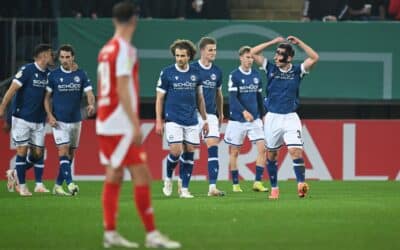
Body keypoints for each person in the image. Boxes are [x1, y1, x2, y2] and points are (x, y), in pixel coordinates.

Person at [96, 2, 181, 248]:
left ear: (114, 20)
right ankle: (151, 234)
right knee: (141, 173)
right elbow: (122, 87)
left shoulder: (105, 49)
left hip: (105, 121)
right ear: (134, 20)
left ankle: (111, 232)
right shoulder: (125, 49)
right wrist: (134, 123)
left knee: (115, 173)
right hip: (119, 123)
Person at [250, 36, 319, 200]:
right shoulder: (271, 68)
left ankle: (301, 184)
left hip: (290, 117)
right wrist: (273, 42)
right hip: (272, 117)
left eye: (279, 54)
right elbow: (252, 52)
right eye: (276, 53)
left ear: (289, 57)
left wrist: (300, 42)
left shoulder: (297, 71)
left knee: (295, 151)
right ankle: (274, 188)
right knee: (271, 155)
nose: (275, 56)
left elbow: (315, 57)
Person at [155, 39, 209, 199]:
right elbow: (159, 98)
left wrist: (204, 119)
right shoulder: (167, 73)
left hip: (192, 119)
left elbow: (200, 98)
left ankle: (184, 188)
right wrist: (159, 120)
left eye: (182, 56)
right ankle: (168, 178)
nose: (179, 58)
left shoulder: (196, 73)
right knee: (176, 151)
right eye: (177, 55)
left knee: (190, 152)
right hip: (173, 118)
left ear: (189, 56)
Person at [0, 43, 54, 196]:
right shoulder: (27, 70)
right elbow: (12, 89)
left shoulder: (49, 75)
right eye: (50, 54)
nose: (52, 56)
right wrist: (2, 107)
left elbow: (47, 98)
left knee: (37, 154)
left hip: (38, 120)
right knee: (22, 150)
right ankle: (22, 186)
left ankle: (14, 173)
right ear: (43, 55)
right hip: (22, 118)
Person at [44, 44, 95, 196]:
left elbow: (89, 93)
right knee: (63, 150)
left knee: (70, 155)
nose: (64, 60)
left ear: (73, 57)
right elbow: (46, 99)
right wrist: (50, 115)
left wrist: (91, 104)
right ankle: (71, 184)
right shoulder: (53, 76)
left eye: (67, 57)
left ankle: (58, 186)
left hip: (76, 121)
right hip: (59, 121)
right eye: (62, 57)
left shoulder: (81, 74)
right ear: (59, 58)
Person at [224, 46, 268, 193]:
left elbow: (259, 98)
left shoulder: (256, 75)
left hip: (254, 119)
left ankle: (258, 182)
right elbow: (232, 98)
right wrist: (243, 112)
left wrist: (263, 115)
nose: (250, 60)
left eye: (251, 57)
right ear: (241, 58)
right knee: (235, 152)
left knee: (263, 149)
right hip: (237, 120)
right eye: (247, 57)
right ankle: (235, 184)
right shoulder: (234, 75)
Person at [190, 37, 225, 196]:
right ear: (202, 51)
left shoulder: (217, 71)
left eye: (215, 50)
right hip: (191, 114)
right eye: (210, 50)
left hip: (210, 114)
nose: (213, 53)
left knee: (213, 147)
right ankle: (181, 183)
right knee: (187, 150)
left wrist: (221, 112)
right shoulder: (191, 68)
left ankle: (212, 187)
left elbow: (219, 94)